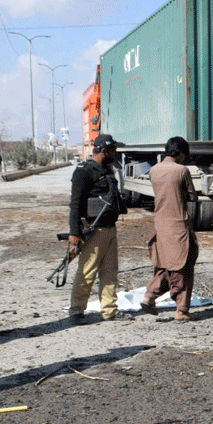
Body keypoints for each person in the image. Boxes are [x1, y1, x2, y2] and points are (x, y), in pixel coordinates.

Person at [68, 133, 127, 324]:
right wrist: (74, 233)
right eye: (113, 150)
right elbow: (75, 204)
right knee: (87, 272)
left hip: (110, 229)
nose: (115, 153)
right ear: (103, 150)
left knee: (110, 272)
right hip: (93, 230)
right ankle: (77, 311)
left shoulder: (108, 170)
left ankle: (109, 310)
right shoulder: (84, 171)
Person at [141, 136, 199, 321]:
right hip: (179, 225)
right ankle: (181, 310)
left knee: (165, 266)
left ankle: (149, 295)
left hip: (160, 225)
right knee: (184, 266)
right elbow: (192, 196)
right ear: (180, 152)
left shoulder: (154, 170)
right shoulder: (182, 171)